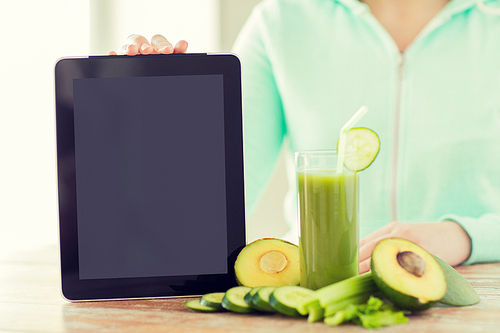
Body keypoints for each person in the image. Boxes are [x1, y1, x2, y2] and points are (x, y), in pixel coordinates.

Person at [111, 0, 500, 272]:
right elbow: (207, 206)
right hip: (315, 292)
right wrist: (156, 119)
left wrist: (466, 237)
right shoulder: (280, 20)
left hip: (475, 286)